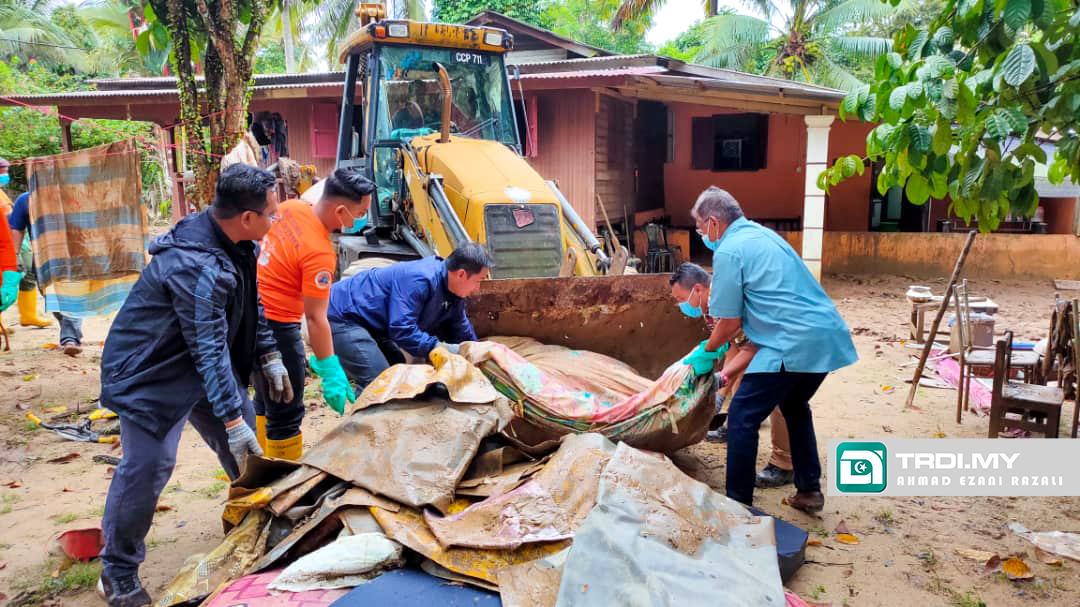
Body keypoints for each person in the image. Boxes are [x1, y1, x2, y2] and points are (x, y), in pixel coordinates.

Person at [96, 164, 293, 607]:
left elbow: (249, 298)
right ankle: (117, 572)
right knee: (148, 468)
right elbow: (208, 347)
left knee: (247, 453)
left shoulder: (234, 241)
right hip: (151, 374)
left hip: (198, 365)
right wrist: (230, 417)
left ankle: (258, 524)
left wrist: (268, 353)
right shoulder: (196, 263)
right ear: (246, 217)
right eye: (272, 215)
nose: (275, 221)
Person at [691, 186, 856, 512]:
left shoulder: (729, 250)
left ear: (713, 223)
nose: (700, 234)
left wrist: (705, 352)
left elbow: (729, 321)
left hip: (791, 341)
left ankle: (738, 505)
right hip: (824, 334)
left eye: (699, 227)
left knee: (741, 417)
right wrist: (720, 359)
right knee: (794, 403)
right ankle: (808, 490)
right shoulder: (764, 237)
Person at [254, 169, 375, 460]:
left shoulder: (289, 208)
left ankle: (255, 467)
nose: (362, 219)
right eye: (361, 212)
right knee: (286, 407)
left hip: (253, 317)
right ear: (342, 210)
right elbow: (316, 318)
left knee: (265, 398)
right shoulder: (320, 252)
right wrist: (331, 367)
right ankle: (281, 485)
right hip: (278, 326)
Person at [670, 262, 794, 487]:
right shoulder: (709, 309)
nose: (681, 306)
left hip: (780, 340)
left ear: (698, 289)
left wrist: (721, 378)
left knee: (779, 397)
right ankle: (730, 429)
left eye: (681, 299)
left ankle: (783, 463)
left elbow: (753, 347)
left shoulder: (728, 299)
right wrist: (719, 395)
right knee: (745, 387)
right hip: (756, 343)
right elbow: (732, 349)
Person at [326, 243, 492, 391]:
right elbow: (402, 329)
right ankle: (363, 425)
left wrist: (478, 354)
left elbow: (460, 328)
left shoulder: (453, 293)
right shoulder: (420, 279)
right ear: (461, 274)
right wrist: (438, 347)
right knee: (377, 381)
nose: (477, 288)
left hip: (373, 324)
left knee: (397, 371)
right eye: (479, 281)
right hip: (343, 315)